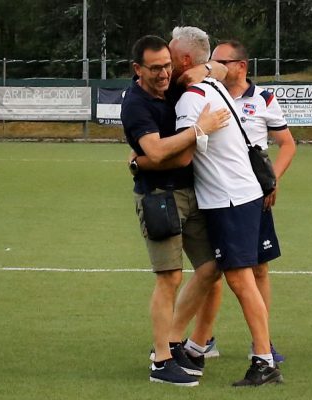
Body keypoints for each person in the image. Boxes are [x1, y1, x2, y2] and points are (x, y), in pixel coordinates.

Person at [170, 26, 283, 386]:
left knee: (240, 278)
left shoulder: (192, 98)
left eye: (169, 55)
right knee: (226, 275)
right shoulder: (214, 83)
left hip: (228, 198)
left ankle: (263, 360)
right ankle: (197, 346)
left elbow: (185, 155)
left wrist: (146, 156)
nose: (163, 61)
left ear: (185, 60)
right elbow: (217, 70)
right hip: (239, 193)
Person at [120, 35, 230, 386]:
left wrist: (208, 68)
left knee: (212, 267)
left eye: (168, 65)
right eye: (155, 69)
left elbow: (223, 69)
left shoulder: (174, 82)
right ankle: (161, 362)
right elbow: (154, 152)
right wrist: (200, 130)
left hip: (192, 191)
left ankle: (174, 339)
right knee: (169, 277)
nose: (164, 73)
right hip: (158, 197)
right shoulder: (135, 104)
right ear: (138, 69)